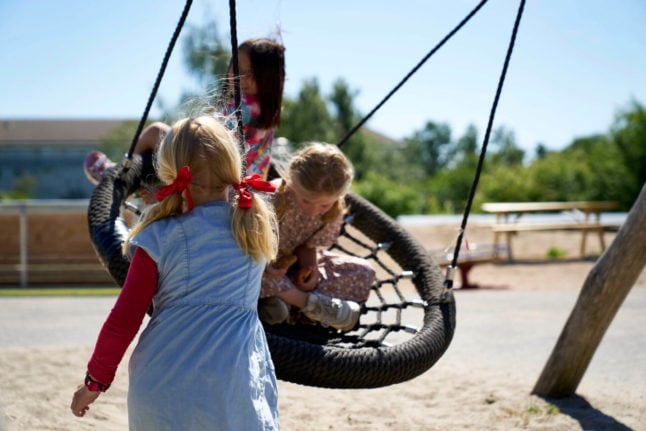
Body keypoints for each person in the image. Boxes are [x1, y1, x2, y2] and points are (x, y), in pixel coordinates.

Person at [71, 115, 280, 430]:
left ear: (168, 173)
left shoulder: (159, 235)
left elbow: (123, 320)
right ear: (233, 167)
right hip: (234, 389)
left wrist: (94, 382)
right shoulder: (254, 229)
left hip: (163, 388)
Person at [83, 36, 285, 185]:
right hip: (243, 185)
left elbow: (206, 132)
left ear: (265, 80)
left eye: (249, 73)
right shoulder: (267, 113)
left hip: (210, 175)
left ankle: (117, 175)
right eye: (235, 65)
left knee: (155, 131)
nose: (237, 75)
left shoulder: (243, 107)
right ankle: (143, 180)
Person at [259, 143, 376, 331]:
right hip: (259, 261)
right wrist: (267, 264)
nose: (313, 210)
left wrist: (310, 269)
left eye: (324, 205)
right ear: (291, 180)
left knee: (364, 272)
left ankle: (283, 305)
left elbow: (307, 246)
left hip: (289, 268)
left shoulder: (334, 211)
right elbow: (247, 242)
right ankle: (308, 305)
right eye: (305, 200)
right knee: (253, 274)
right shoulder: (272, 197)